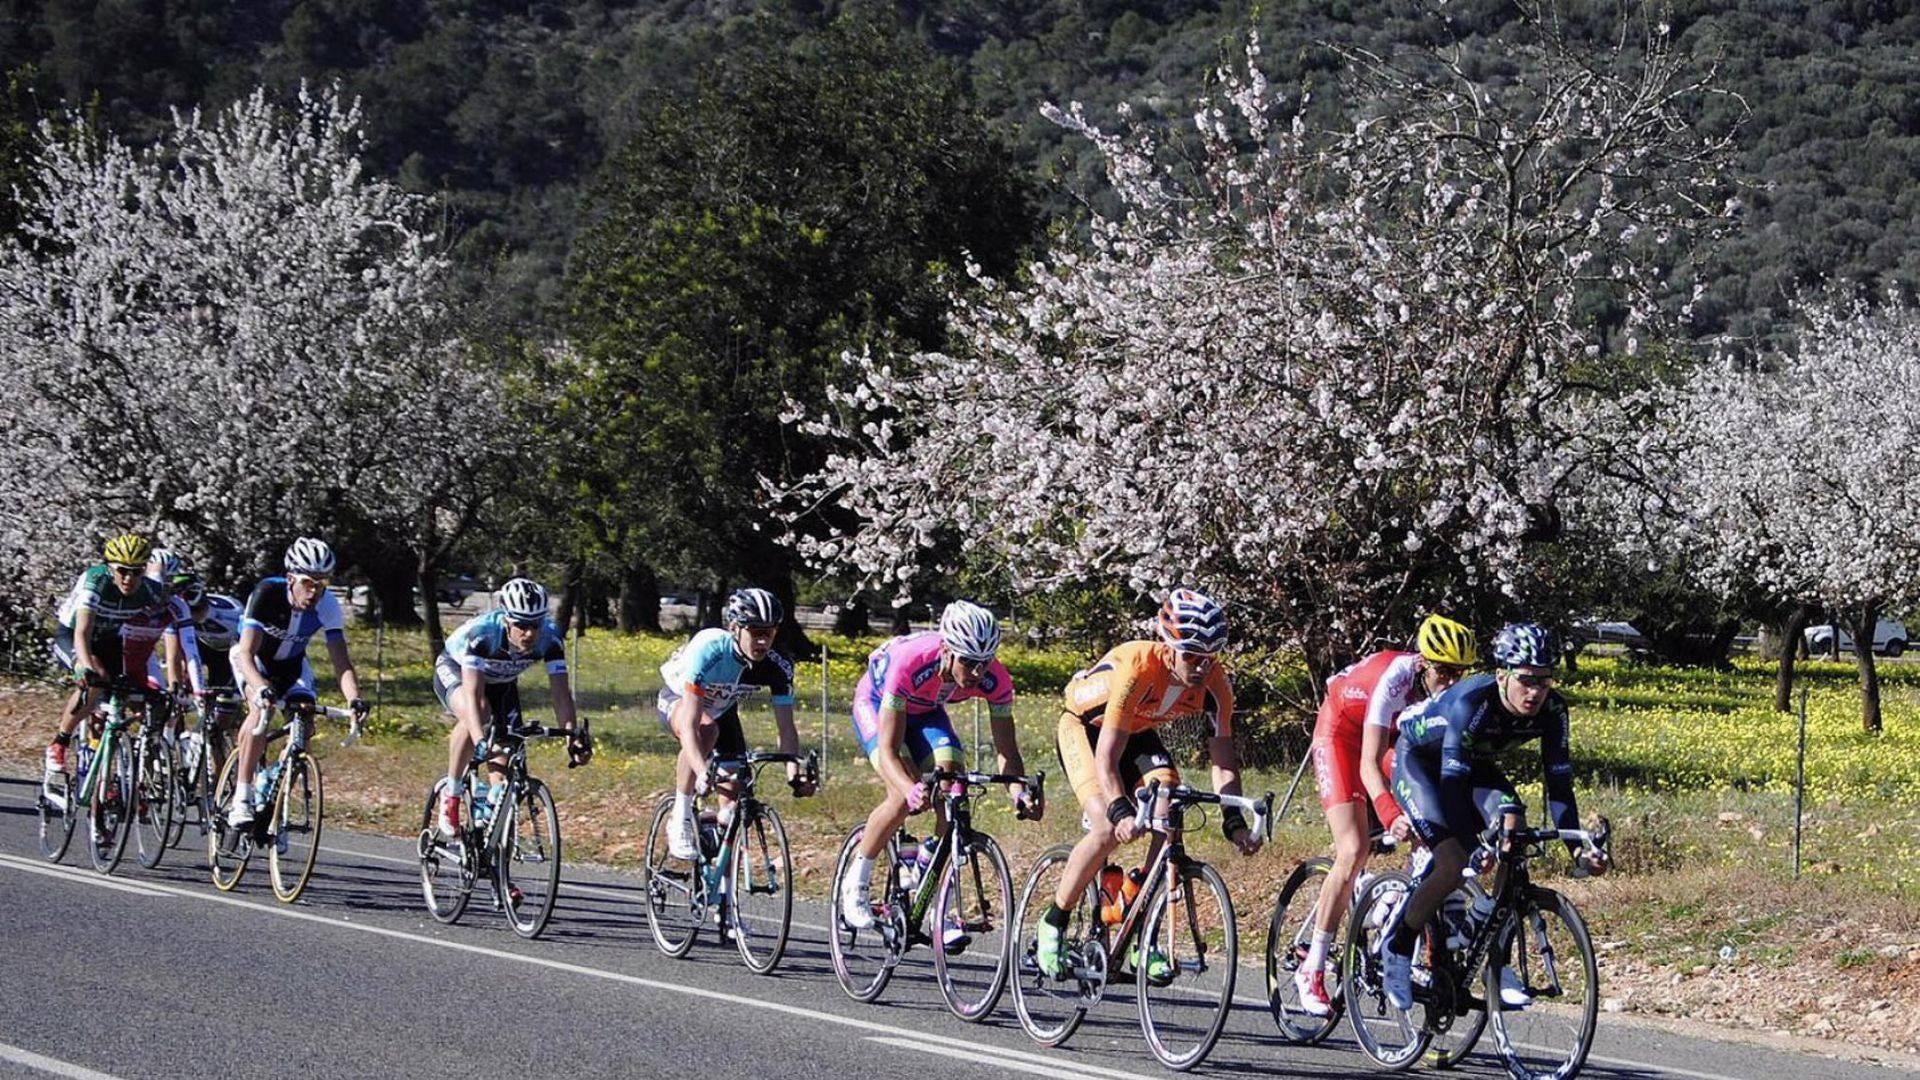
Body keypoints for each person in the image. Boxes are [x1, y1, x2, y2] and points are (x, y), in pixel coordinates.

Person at [1378, 622, 1610, 1011]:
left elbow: (1560, 787)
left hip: (1470, 764)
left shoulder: (1554, 710)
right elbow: (1452, 788)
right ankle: (1397, 947)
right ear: (1502, 675)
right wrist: (1471, 846)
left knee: (1513, 823)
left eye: (1545, 680)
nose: (1535, 691)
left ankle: (1489, 943)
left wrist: (1577, 852)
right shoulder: (1472, 702)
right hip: (1422, 765)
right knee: (1452, 863)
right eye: (1525, 680)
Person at [1033, 589, 1260, 980]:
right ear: (1169, 646)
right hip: (1086, 731)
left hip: (1136, 733)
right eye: (1191, 655)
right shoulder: (1138, 666)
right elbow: (1106, 758)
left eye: (1210, 657)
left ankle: (1141, 925)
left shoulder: (1217, 686)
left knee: (1169, 811)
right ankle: (1053, 922)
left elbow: (1223, 762)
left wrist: (1233, 820)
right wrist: (1120, 809)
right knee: (1106, 827)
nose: (1202, 667)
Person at [1293, 614, 1478, 1015]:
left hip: (1395, 738)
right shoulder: (1395, 679)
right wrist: (1391, 813)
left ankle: (1398, 901)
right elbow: (1368, 765)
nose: (1450, 683)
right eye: (1444, 672)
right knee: (1354, 847)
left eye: (1459, 674)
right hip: (1342, 732)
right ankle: (1313, 967)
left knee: (1434, 817)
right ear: (1424, 664)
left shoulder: (1448, 693)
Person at [837, 600, 1039, 950]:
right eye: (969, 662)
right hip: (876, 703)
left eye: (984, 662)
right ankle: (857, 881)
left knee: (953, 786)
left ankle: (928, 885)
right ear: (947, 650)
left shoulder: (997, 679)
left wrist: (1018, 792)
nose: (977, 673)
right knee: (902, 796)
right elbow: (888, 750)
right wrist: (910, 787)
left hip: (927, 712)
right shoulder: (911, 662)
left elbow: (1008, 752)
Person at [657, 588, 813, 862]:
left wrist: (794, 772)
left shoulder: (779, 666)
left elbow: (786, 729)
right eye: (755, 631)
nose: (763, 640)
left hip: (722, 710)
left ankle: (721, 886)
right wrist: (702, 771)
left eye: (770, 631)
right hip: (681, 700)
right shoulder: (710, 650)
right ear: (734, 628)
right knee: (706, 730)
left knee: (733, 804)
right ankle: (680, 817)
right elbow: (692, 725)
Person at [226, 538, 368, 828]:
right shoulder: (267, 592)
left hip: (293, 666)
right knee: (259, 714)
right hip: (254, 662)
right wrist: (261, 688)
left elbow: (342, 662)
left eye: (322, 583)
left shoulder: (327, 604)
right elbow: (246, 653)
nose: (315, 591)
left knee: (304, 729)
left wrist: (354, 699)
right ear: (291, 578)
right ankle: (242, 795)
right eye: (308, 582)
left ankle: (276, 799)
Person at [433, 578, 590, 835]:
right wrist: (480, 739)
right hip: (457, 671)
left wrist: (572, 738)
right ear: (506, 619)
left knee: (508, 751)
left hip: (502, 682)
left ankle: (490, 824)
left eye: (535, 625)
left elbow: (561, 696)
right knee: (481, 715)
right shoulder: (483, 635)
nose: (529, 633)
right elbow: (473, 696)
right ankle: (452, 794)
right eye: (521, 625)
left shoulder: (550, 639)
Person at [45, 534, 175, 782]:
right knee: (97, 679)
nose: (129, 579)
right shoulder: (96, 581)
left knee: (126, 695)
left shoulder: (151, 591)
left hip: (110, 639)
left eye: (136, 572)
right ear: (110, 567)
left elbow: (157, 631)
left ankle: (105, 764)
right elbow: (82, 632)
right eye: (122, 571)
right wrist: (84, 667)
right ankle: (60, 742)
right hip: (73, 635)